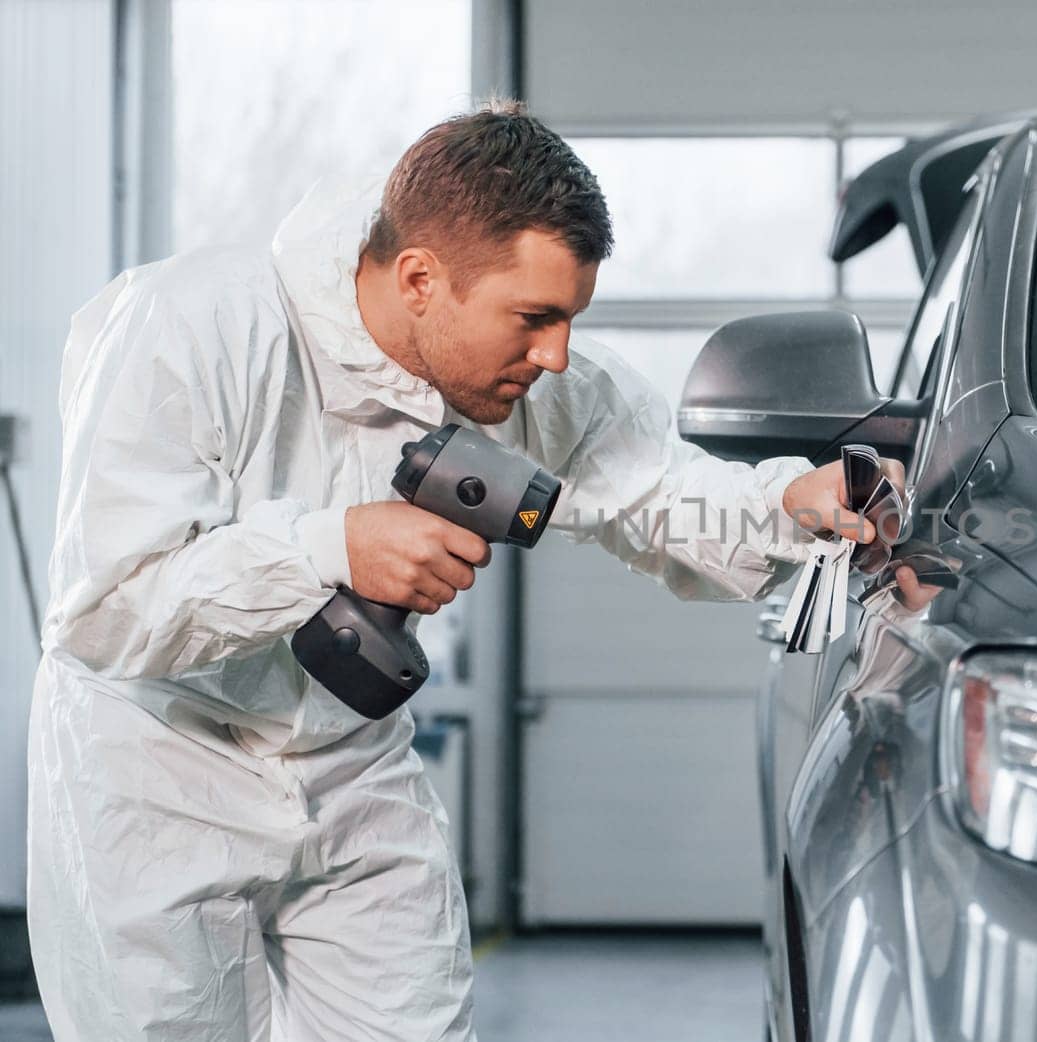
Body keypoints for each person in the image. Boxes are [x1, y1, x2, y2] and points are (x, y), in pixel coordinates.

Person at [27, 98, 902, 1041]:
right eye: (534, 318)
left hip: (350, 765)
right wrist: (332, 546)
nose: (556, 353)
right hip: (155, 773)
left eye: (570, 318)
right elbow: (105, 610)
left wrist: (788, 502)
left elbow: (657, 494)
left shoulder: (522, 380)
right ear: (419, 279)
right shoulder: (194, 327)